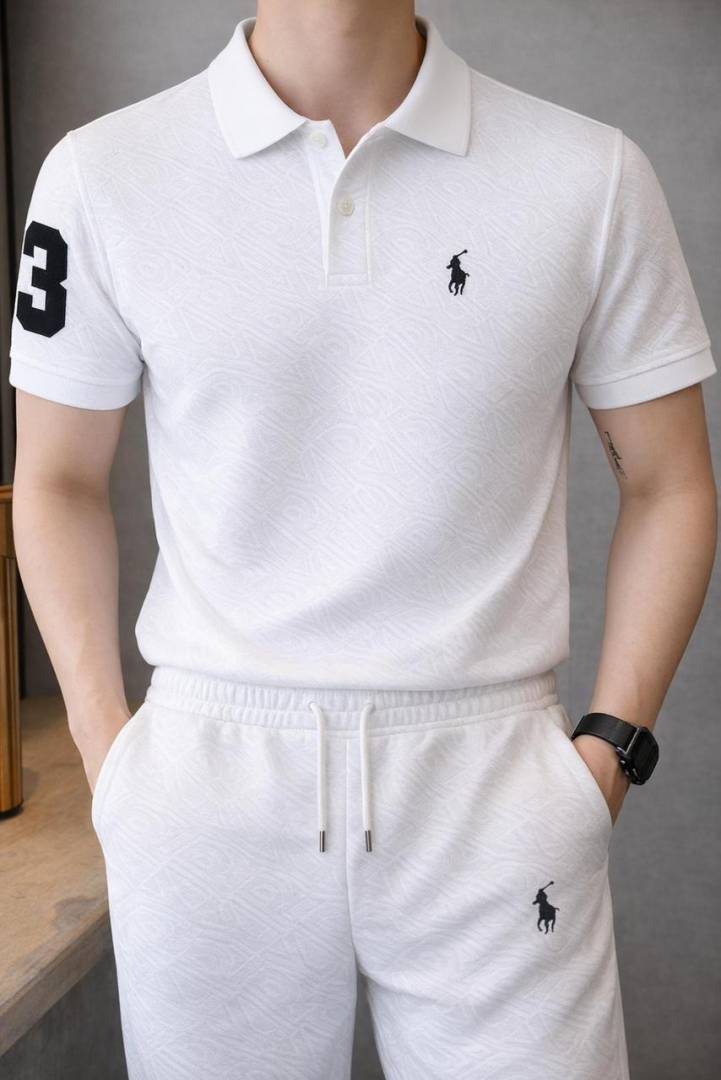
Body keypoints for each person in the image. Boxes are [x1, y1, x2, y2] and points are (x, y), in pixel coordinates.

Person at [9, 2, 718, 1078]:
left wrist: (608, 754)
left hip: (494, 790)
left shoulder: (590, 177)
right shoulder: (102, 175)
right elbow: (56, 481)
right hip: (207, 793)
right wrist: (115, 760)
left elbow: (670, 483)